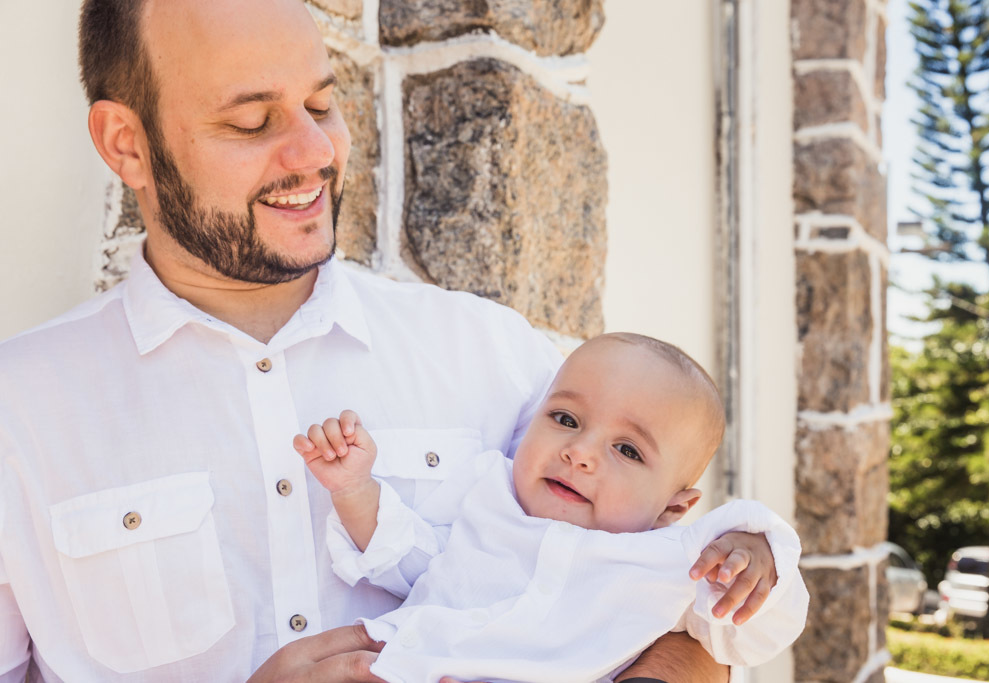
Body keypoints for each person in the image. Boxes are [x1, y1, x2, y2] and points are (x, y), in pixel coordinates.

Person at [0, 1, 775, 681]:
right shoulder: (21, 411)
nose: (315, 152)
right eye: (251, 120)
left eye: (320, 104)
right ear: (125, 144)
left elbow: (692, 616)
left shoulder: (498, 356)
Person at [282, 333, 808, 683]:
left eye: (627, 450)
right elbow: (411, 560)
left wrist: (756, 560)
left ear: (674, 506)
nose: (578, 453)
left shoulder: (675, 562)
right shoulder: (488, 499)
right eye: (566, 419)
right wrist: (354, 488)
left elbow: (748, 636)